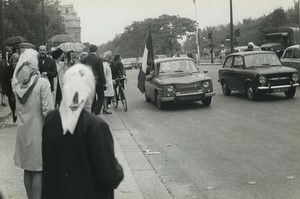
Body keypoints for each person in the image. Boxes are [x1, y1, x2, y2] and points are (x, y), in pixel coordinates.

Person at [42, 64, 124, 199]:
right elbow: (109, 176)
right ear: (90, 88)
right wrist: (117, 169)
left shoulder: (50, 120)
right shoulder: (95, 125)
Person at [12, 49, 54, 199]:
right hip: (39, 130)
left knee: (27, 169)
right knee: (38, 169)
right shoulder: (42, 83)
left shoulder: (17, 85)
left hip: (23, 131)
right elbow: (49, 111)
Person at [82, 45, 106, 115]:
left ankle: (92, 111)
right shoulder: (98, 59)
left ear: (90, 50)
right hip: (97, 81)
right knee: (101, 96)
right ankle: (96, 112)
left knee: (92, 97)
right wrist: (104, 82)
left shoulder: (85, 59)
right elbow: (101, 72)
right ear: (96, 50)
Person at [3, 53, 19, 122]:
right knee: (11, 103)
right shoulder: (8, 68)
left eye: (17, 61)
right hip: (10, 88)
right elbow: (5, 78)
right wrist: (10, 79)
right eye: (14, 61)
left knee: (17, 102)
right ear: (12, 61)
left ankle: (16, 114)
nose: (15, 62)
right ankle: (14, 113)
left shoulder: (19, 68)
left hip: (18, 88)